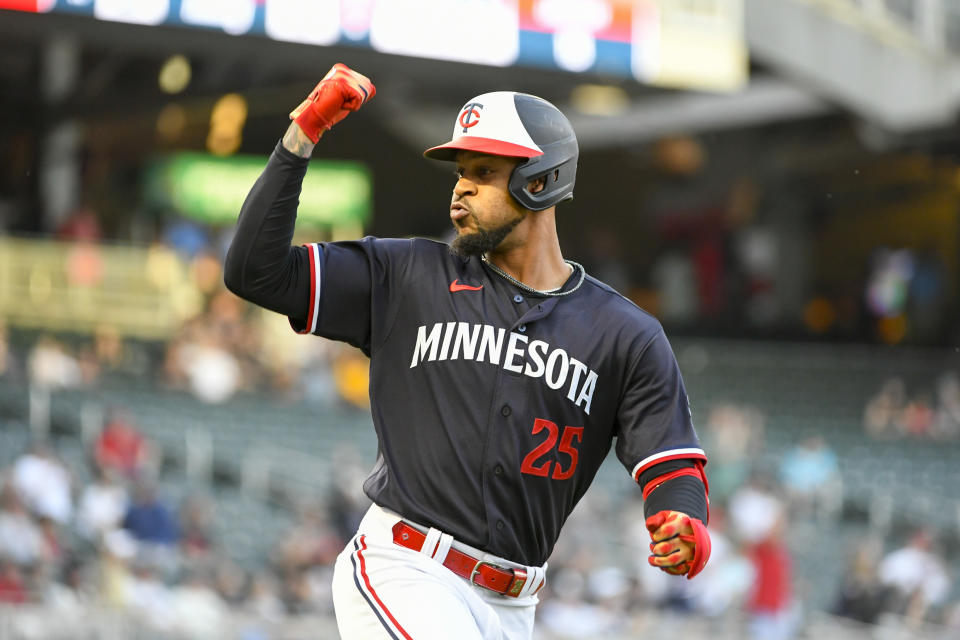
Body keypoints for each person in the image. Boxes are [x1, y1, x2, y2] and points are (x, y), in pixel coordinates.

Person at [224, 63, 711, 640]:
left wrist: (684, 522)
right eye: (460, 171)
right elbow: (257, 272)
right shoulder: (406, 276)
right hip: (406, 567)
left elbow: (673, 464)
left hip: (513, 605)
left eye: (484, 171)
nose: (461, 187)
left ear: (540, 180)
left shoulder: (624, 334)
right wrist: (300, 135)